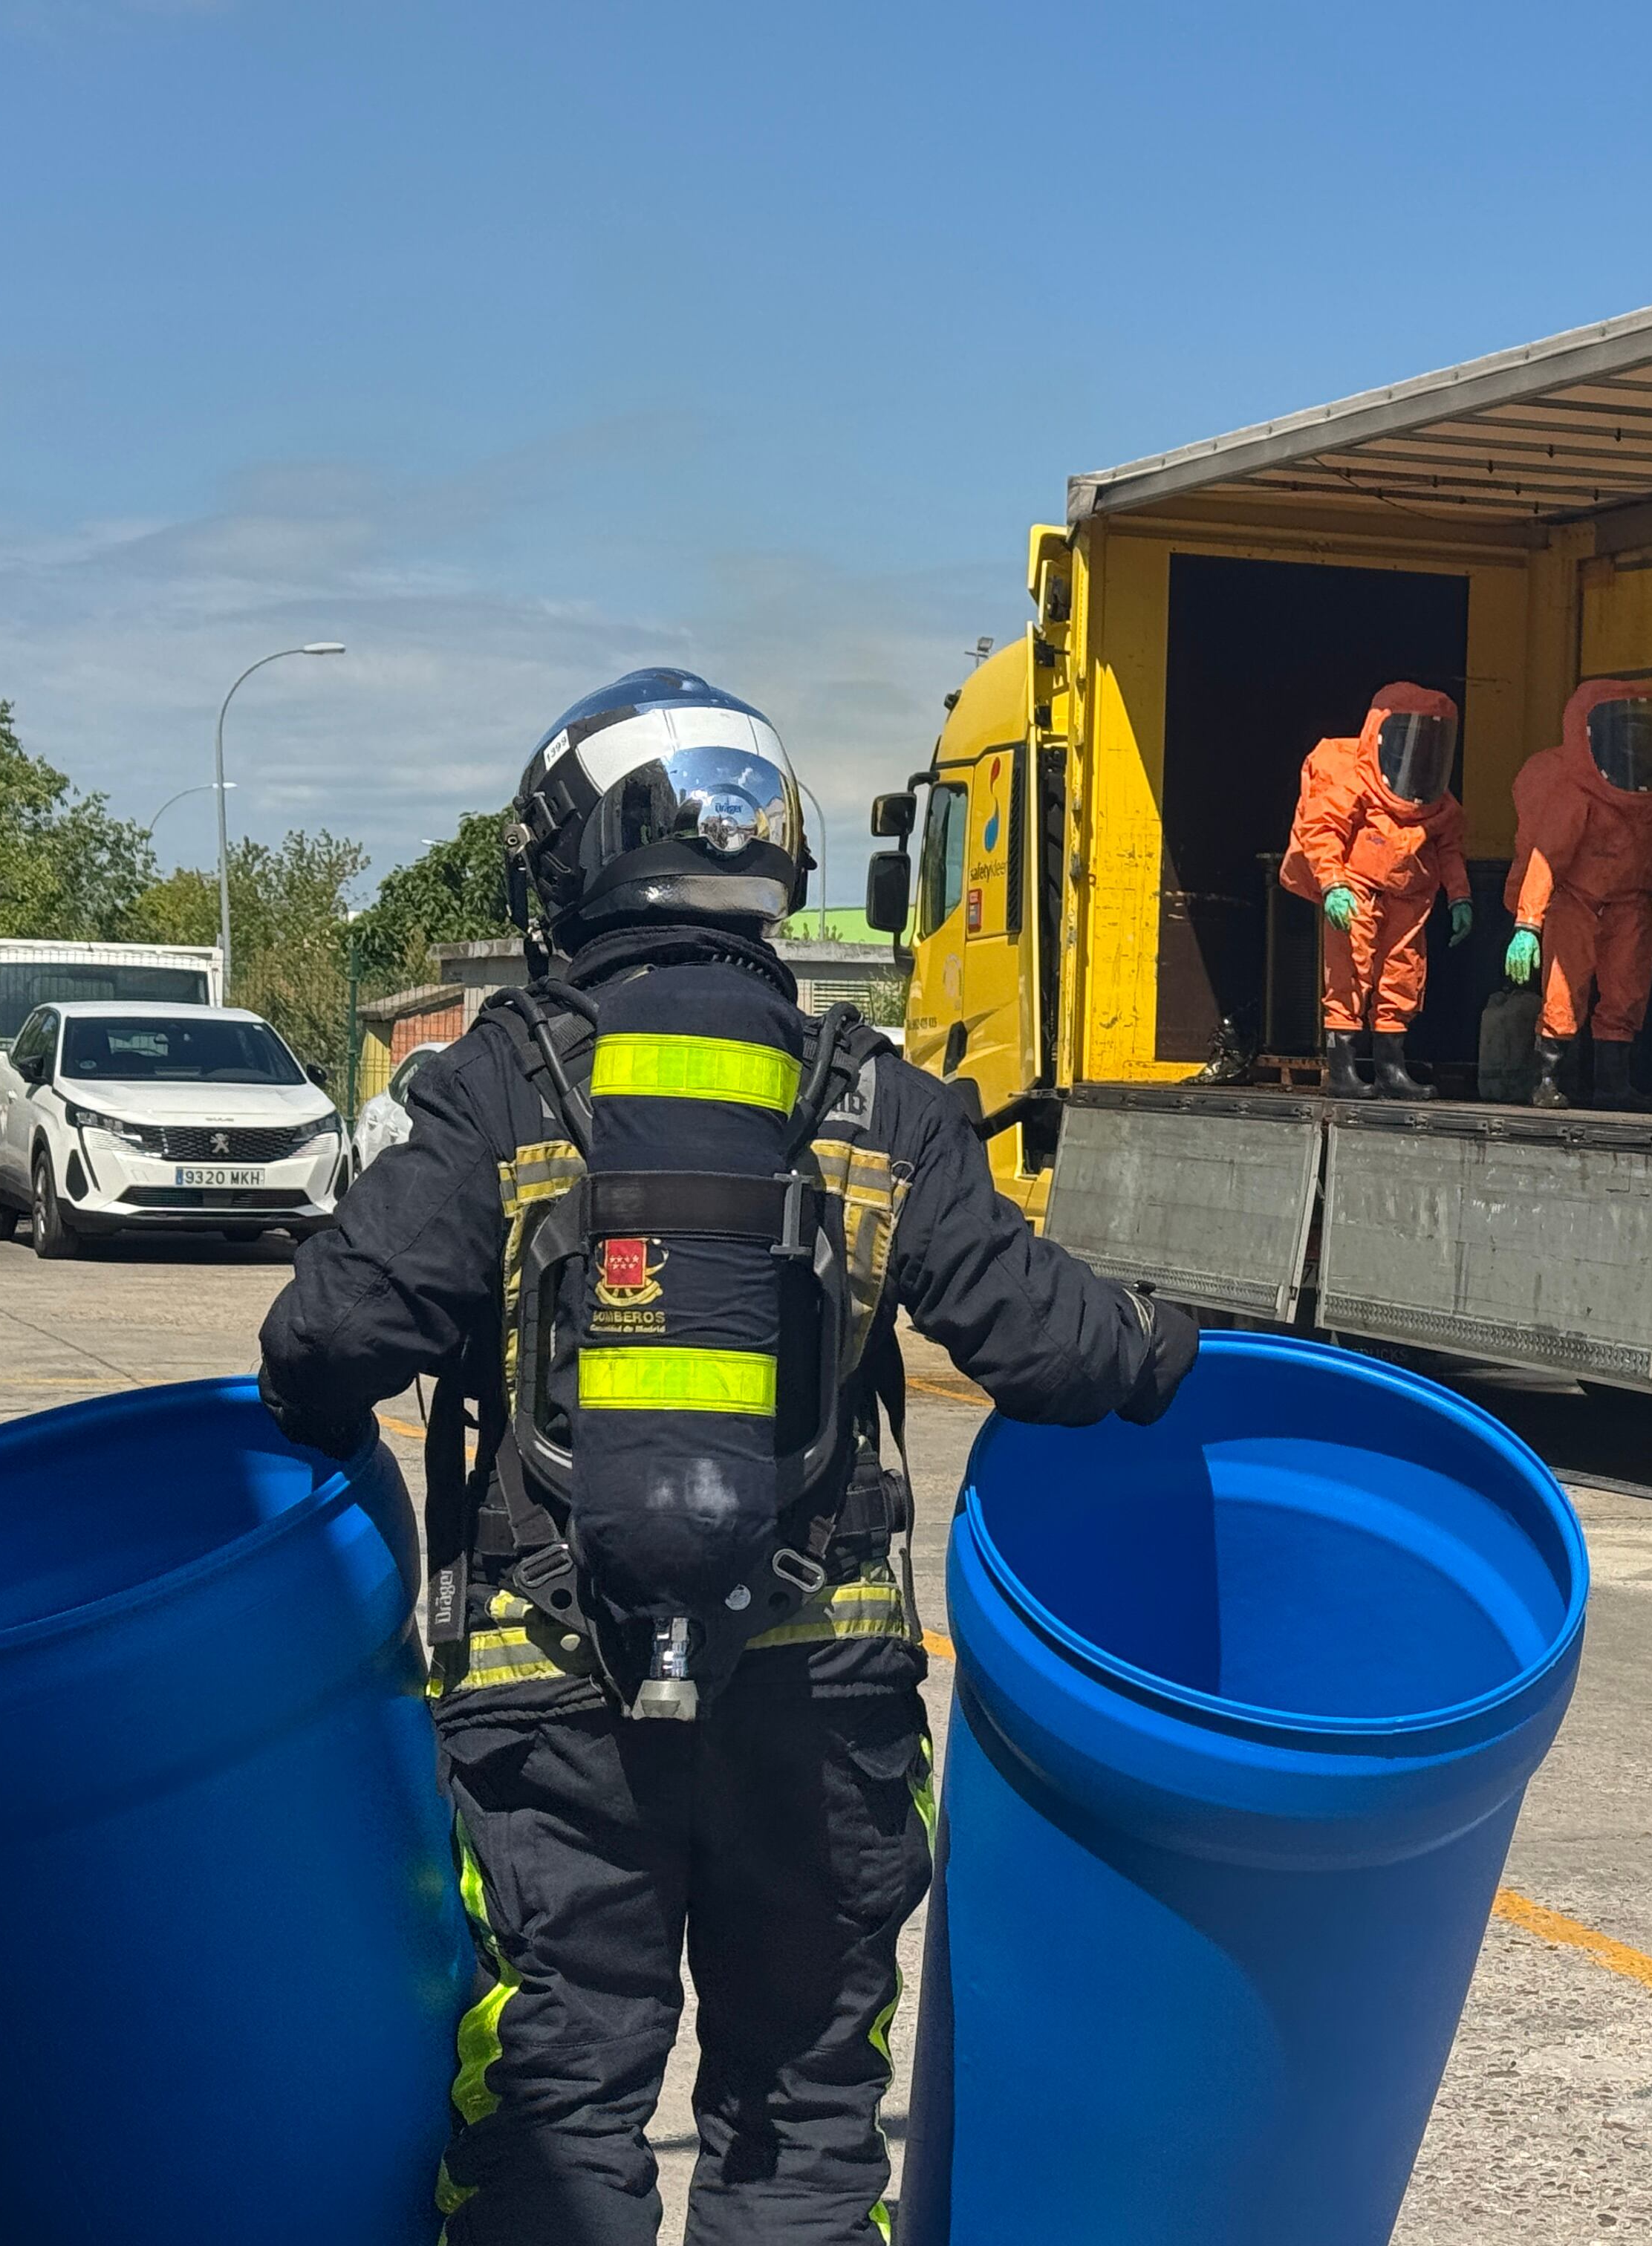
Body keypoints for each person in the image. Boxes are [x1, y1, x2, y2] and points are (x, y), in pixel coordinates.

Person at [256, 668, 1197, 2245]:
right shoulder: (875, 1093)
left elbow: (330, 1341)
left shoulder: (507, 1078)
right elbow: (1046, 1346)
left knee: (555, 2103)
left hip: (554, 1699)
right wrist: (1167, 1347)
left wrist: (315, 1414)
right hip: (818, 1708)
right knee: (808, 2111)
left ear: (578, 854)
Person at [1502, 679, 1652, 1109]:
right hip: (1576, 901)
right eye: (1626, 731)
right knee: (1564, 992)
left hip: (1630, 903)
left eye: (1642, 730)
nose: (1634, 741)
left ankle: (1613, 1085)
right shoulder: (1575, 795)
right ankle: (1548, 1080)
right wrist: (1528, 925)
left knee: (1626, 991)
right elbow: (1545, 859)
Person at [1278, 682, 1474, 1098]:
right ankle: (1344, 1071)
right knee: (1350, 972)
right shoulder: (1350, 775)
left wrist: (1460, 896)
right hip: (1357, 891)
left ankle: (1391, 1070)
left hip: (1410, 894)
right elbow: (1323, 829)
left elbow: (1450, 848)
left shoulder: (1436, 798)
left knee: (1402, 976)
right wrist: (1333, 884)